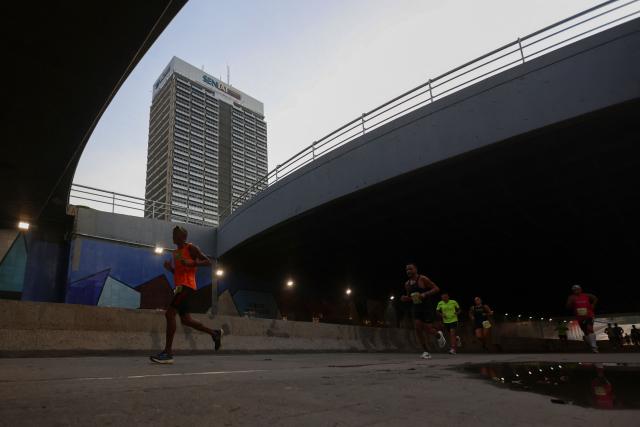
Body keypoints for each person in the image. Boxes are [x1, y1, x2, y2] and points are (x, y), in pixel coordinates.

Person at [151, 226, 222, 364]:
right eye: (172, 233)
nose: (173, 236)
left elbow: (209, 262)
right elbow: (179, 272)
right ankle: (214, 333)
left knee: (169, 314)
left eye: (176, 234)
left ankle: (168, 353)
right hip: (179, 287)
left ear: (183, 237)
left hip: (187, 287)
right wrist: (170, 269)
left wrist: (193, 262)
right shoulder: (176, 253)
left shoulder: (191, 248)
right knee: (186, 320)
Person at [400, 263, 445, 359]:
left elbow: (436, 288)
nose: (408, 271)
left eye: (410, 269)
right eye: (407, 270)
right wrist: (405, 298)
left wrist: (425, 294)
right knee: (417, 328)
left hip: (426, 307)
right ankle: (425, 351)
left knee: (428, 329)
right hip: (416, 307)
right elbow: (410, 297)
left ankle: (438, 334)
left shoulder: (422, 278)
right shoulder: (407, 284)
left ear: (415, 269)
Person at [566, 284, 598, 353]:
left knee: (590, 329)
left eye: (578, 289)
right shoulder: (571, 297)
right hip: (580, 317)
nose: (576, 291)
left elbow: (595, 298)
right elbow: (568, 307)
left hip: (589, 315)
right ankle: (590, 345)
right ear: (573, 291)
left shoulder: (587, 295)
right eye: (575, 290)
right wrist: (570, 303)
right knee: (585, 332)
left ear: (581, 289)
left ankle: (594, 347)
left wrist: (593, 305)